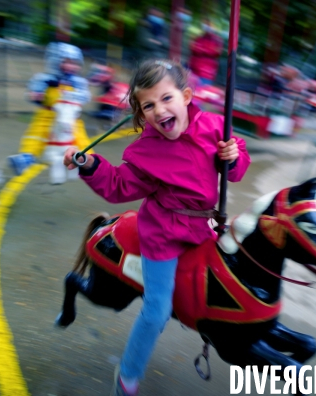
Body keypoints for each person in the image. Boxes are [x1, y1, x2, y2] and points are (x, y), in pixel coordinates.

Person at [62, 59, 251, 396]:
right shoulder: (144, 150)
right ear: (140, 112)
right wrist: (90, 164)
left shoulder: (215, 127)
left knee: (231, 275)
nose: (158, 110)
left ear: (187, 96)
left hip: (204, 227)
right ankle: (127, 376)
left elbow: (235, 172)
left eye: (166, 99)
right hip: (163, 235)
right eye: (148, 105)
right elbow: (119, 186)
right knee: (157, 310)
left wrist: (232, 156)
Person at [8, 42, 92, 176]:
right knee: (37, 133)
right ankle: (26, 157)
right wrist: (36, 94)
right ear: (55, 61)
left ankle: (87, 158)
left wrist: (76, 95)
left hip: (70, 117)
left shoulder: (79, 82)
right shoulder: (45, 79)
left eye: (74, 63)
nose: (70, 66)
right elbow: (33, 92)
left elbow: (85, 96)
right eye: (66, 62)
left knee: (79, 135)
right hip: (47, 114)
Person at [188, 19, 223, 85]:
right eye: (206, 24)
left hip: (206, 74)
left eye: (209, 25)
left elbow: (217, 51)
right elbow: (193, 47)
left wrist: (201, 49)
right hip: (194, 71)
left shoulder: (217, 40)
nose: (207, 26)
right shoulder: (200, 38)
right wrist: (206, 50)